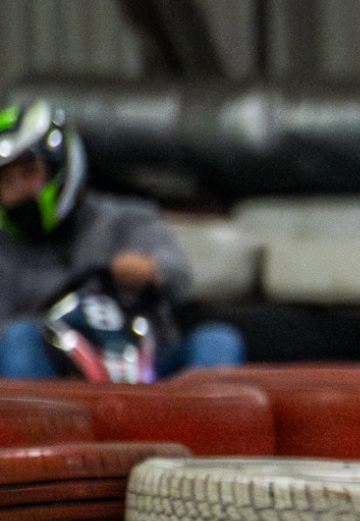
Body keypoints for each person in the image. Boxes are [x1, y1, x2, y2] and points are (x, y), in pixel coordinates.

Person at [0, 101, 243, 379]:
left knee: (218, 340)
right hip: (60, 375)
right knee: (20, 338)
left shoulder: (126, 219)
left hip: (145, 366)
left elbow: (178, 274)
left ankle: (196, 407)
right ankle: (38, 410)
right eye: (6, 180)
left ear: (59, 165)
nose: (18, 189)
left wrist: (150, 270)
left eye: (28, 172)